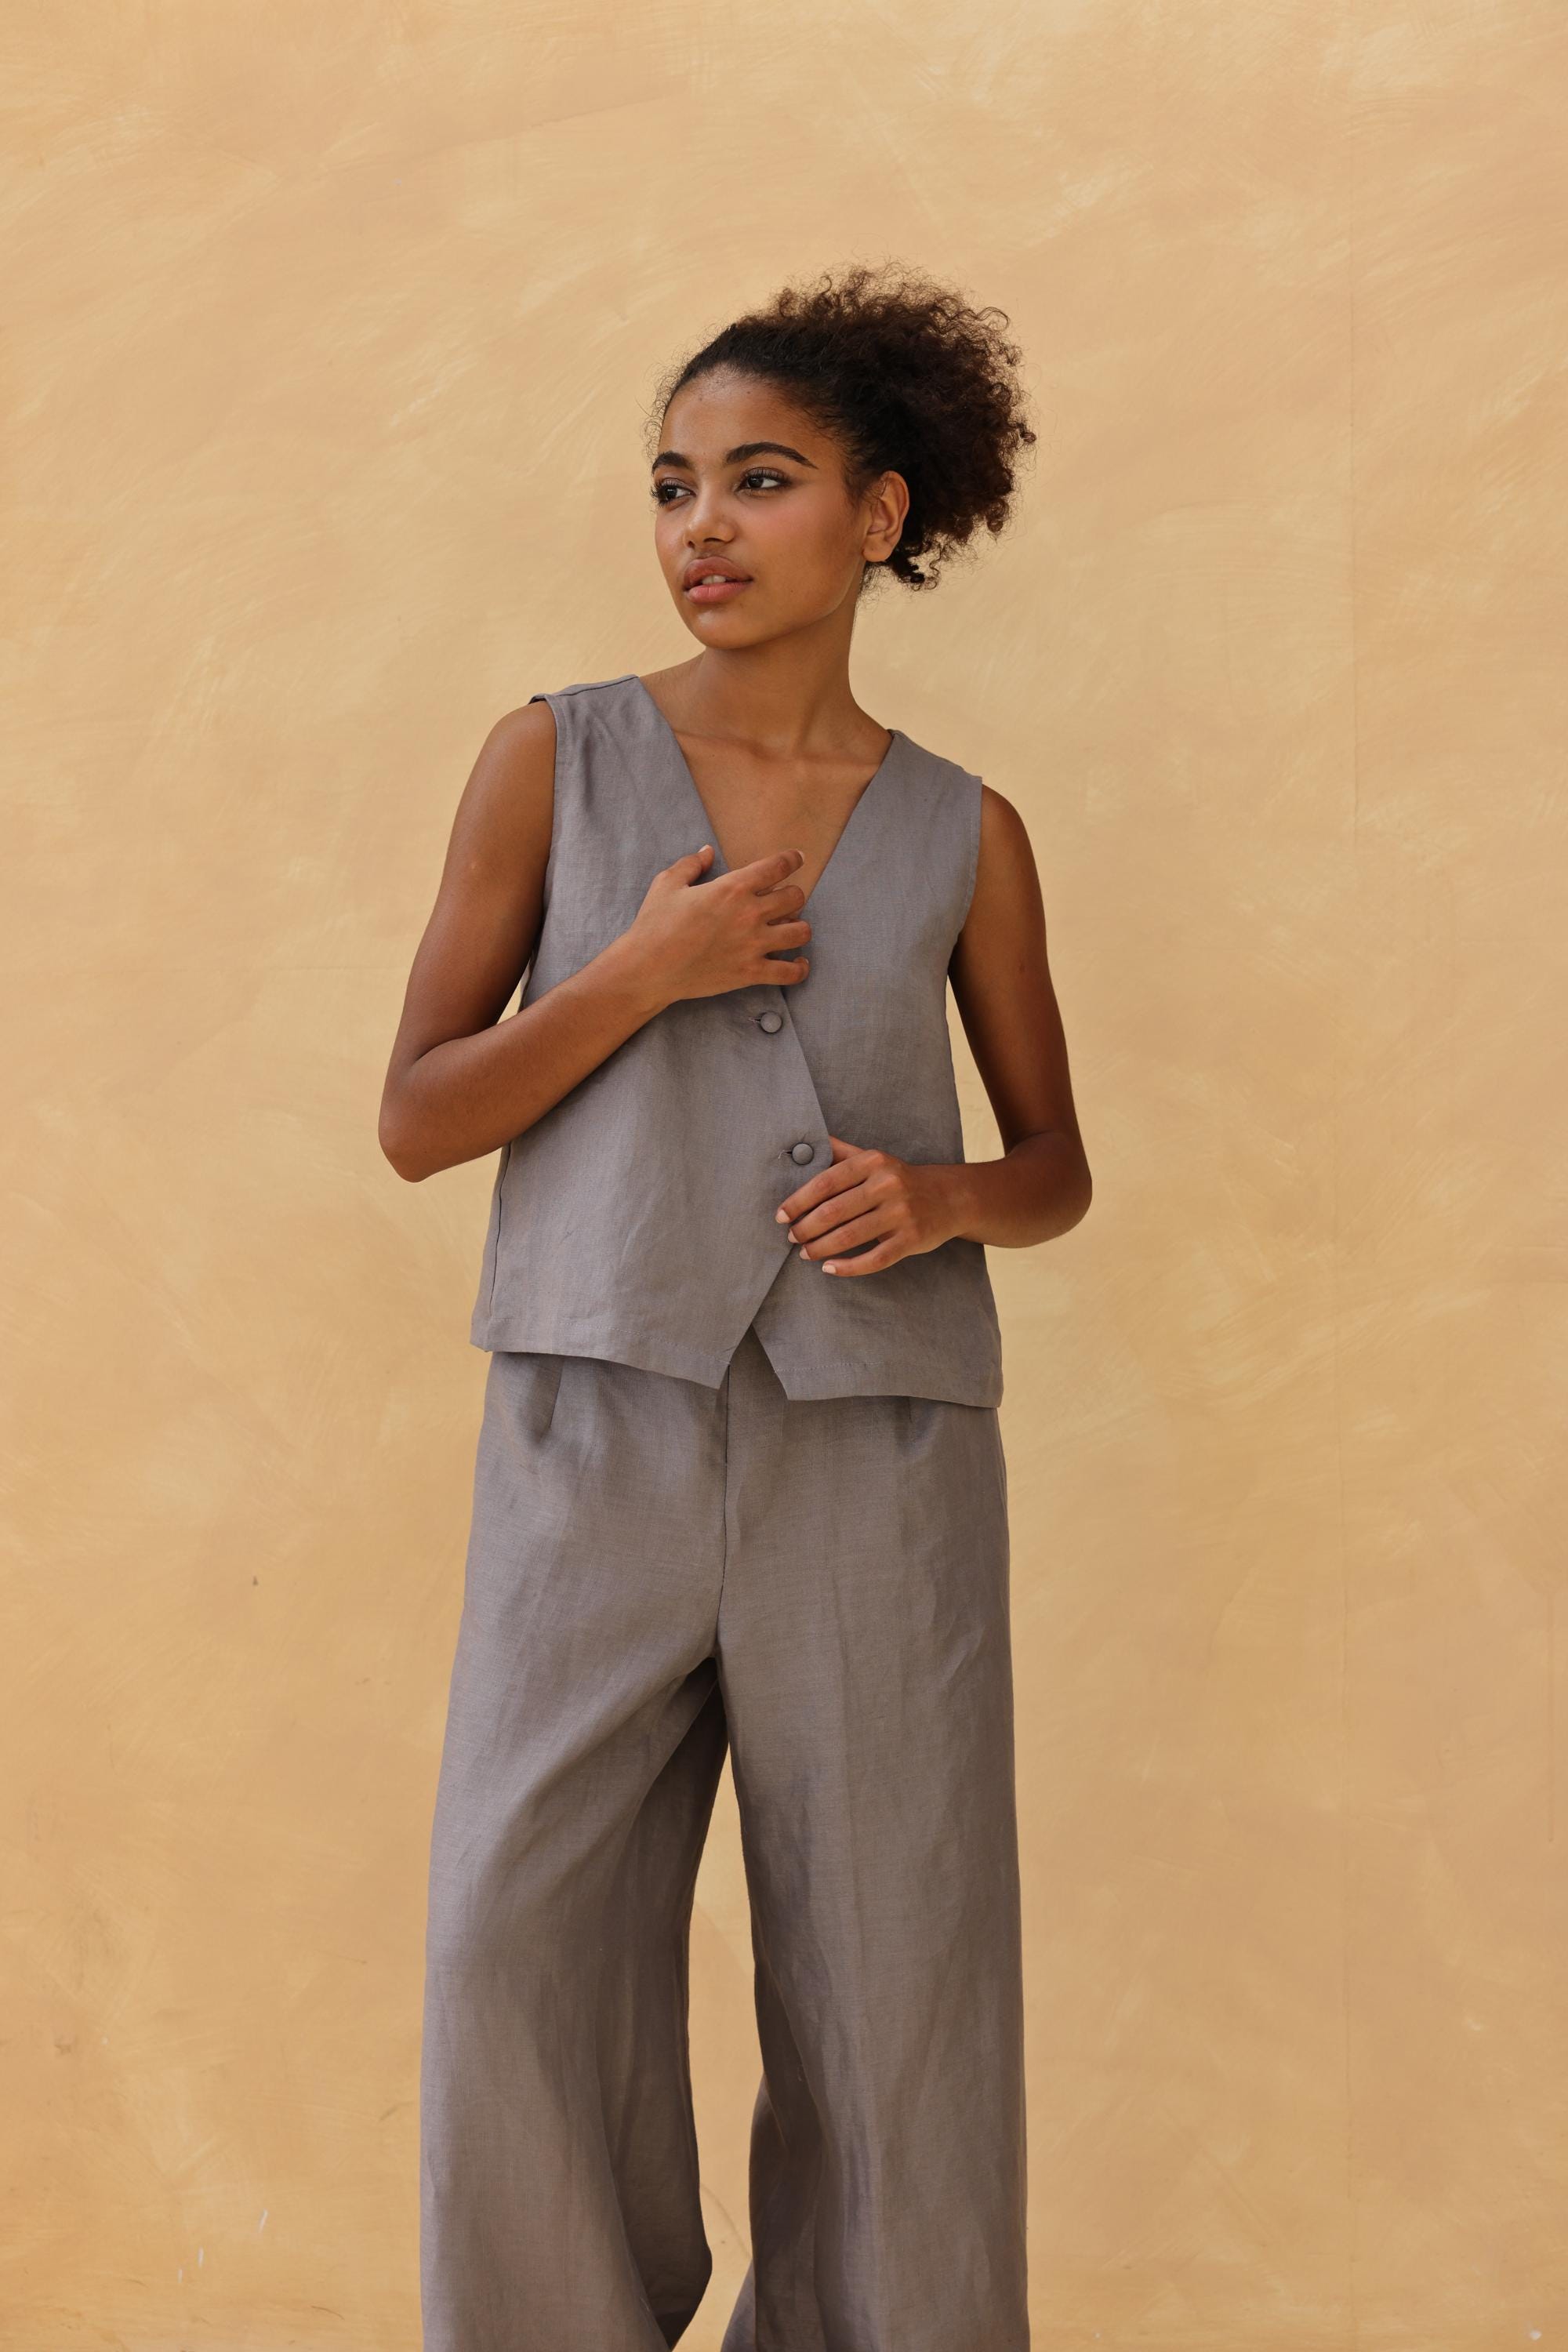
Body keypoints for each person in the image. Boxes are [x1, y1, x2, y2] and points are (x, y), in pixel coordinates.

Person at [379, 259, 1091, 2352]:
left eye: (758, 480)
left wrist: (943, 1189)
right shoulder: (553, 761)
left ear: (877, 518)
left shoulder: (970, 831)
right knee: (515, 1948)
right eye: (674, 482)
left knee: (897, 1982)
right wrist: (632, 981)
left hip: (876, 1441)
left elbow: (1055, 1166)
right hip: (590, 1426)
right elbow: (419, 1118)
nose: (700, 523)